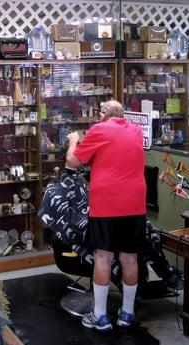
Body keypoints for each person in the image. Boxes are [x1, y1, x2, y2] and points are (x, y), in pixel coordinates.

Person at [65, 100, 146, 331]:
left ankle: (100, 316)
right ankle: (127, 313)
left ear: (103, 115)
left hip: (107, 203)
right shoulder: (136, 131)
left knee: (103, 257)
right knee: (130, 258)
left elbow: (73, 162)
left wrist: (73, 142)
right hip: (135, 202)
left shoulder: (99, 129)